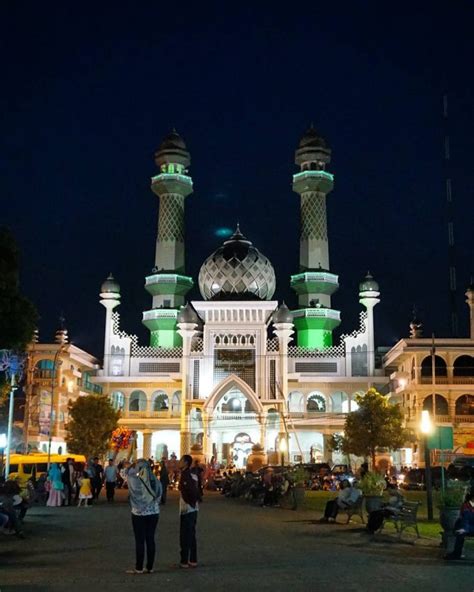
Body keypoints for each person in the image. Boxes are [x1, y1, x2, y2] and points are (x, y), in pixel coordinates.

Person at [126, 459, 162, 574]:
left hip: (138, 513)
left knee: (140, 540)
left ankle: (139, 567)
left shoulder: (134, 481)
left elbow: (126, 472)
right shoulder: (155, 480)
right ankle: (150, 567)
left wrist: (132, 466)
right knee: (150, 539)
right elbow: (160, 495)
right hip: (154, 512)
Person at [178, 454, 200, 568]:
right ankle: (193, 559)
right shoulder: (193, 474)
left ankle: (184, 560)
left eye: (181, 460)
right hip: (193, 508)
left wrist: (189, 502)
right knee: (191, 534)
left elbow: (189, 491)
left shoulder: (186, 475)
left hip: (187, 509)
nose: (179, 462)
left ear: (186, 462)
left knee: (185, 535)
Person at [445, 492, 474, 560]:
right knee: (460, 533)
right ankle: (456, 553)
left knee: (462, 531)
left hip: (468, 527)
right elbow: (465, 519)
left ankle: (456, 553)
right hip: (466, 527)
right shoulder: (466, 506)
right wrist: (465, 529)